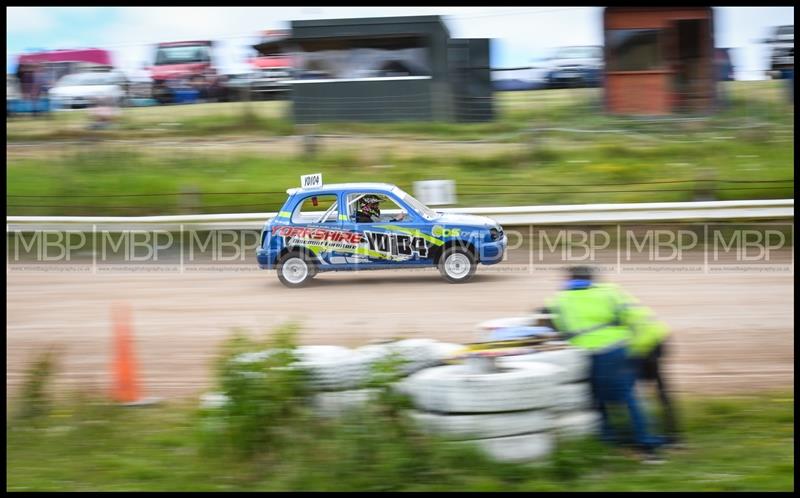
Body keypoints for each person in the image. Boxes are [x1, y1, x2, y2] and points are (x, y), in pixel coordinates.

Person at [544, 265, 666, 463]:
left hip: (589, 354)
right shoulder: (610, 292)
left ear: (568, 280)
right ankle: (643, 442)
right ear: (592, 278)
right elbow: (632, 316)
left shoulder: (559, 300)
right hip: (618, 349)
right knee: (628, 397)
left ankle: (619, 440)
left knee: (597, 398)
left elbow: (558, 328)